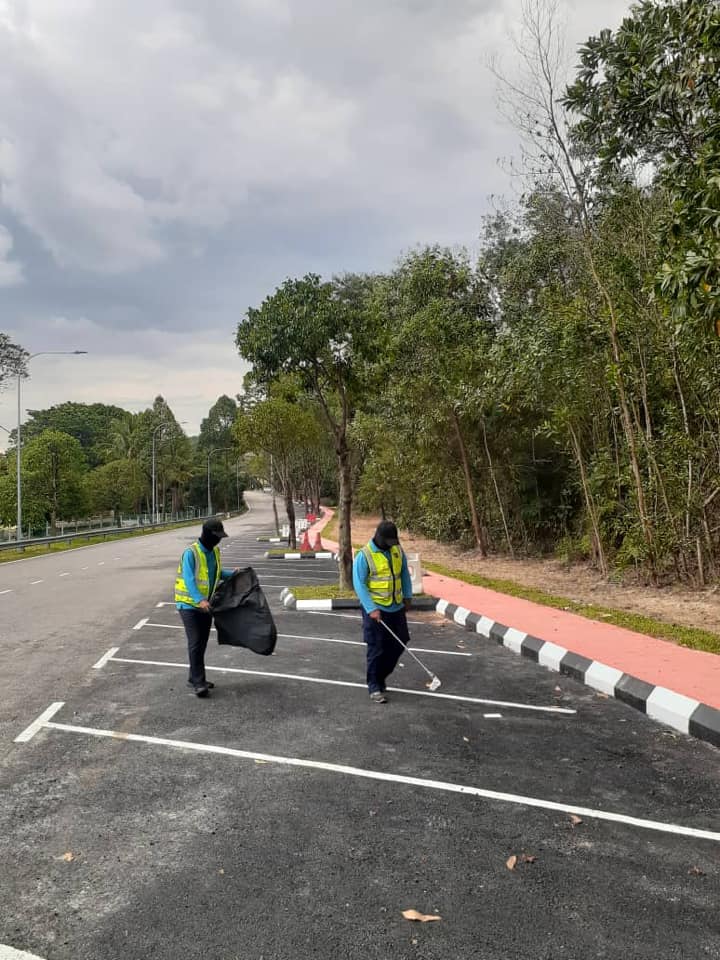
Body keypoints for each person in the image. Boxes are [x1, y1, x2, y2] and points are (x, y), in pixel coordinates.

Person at [352, 520, 413, 703]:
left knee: (400, 641)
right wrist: (371, 608)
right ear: (380, 537)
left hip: (396, 606)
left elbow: (403, 573)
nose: (392, 545)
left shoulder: (397, 551)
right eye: (389, 541)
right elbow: (359, 584)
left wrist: (408, 596)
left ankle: (381, 676)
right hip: (376, 610)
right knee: (376, 647)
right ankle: (374, 686)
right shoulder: (365, 555)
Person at [175, 517, 235, 697]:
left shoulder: (214, 552)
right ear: (208, 534)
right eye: (217, 536)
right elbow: (189, 579)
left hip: (206, 605)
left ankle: (194, 677)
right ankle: (198, 682)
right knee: (195, 642)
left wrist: (235, 574)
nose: (219, 539)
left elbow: (217, 573)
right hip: (188, 605)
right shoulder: (191, 553)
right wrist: (199, 600)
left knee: (201, 643)